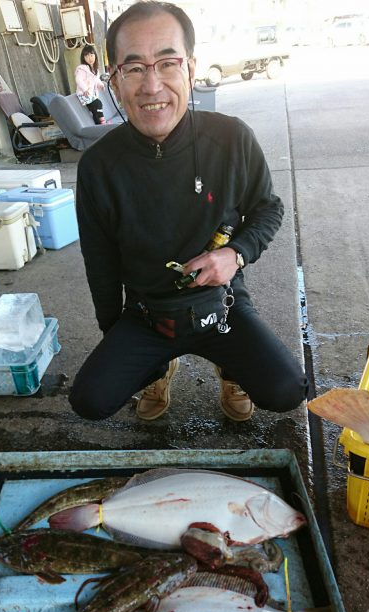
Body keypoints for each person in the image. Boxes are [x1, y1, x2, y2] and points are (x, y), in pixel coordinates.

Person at [69, 1, 308, 422]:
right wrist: (114, 336)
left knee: (287, 391)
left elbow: (267, 208)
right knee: (91, 401)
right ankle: (157, 370)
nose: (152, 86)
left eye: (167, 63)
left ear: (190, 68)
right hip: (146, 314)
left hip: (222, 304)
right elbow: (100, 262)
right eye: (135, 68)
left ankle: (231, 371)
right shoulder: (98, 166)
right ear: (115, 81)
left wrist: (235, 254)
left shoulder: (232, 139)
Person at [74, 44, 106, 124]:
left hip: (91, 94)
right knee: (98, 103)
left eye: (92, 55)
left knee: (95, 110)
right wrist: (85, 89)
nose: (90, 58)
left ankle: (98, 124)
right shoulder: (83, 69)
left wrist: (101, 85)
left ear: (95, 56)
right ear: (83, 58)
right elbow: (78, 79)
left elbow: (96, 80)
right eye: (87, 56)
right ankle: (103, 121)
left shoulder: (95, 70)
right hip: (84, 94)